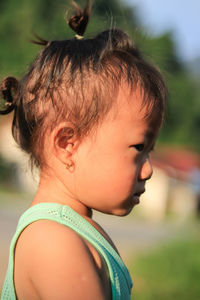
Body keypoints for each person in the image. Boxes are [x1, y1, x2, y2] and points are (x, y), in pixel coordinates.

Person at [0, 1, 167, 299]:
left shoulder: (80, 232)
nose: (148, 169)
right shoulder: (53, 241)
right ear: (67, 144)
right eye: (139, 147)